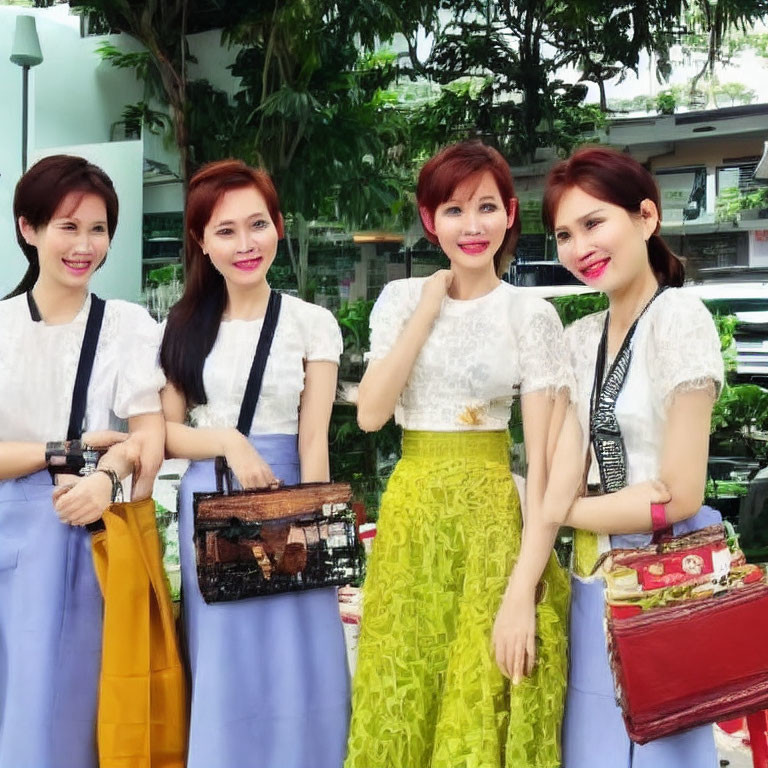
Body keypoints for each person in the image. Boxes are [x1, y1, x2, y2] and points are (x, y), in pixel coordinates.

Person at [344, 140, 571, 768]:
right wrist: (427, 306)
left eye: (486, 208)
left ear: (509, 215)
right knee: (402, 691)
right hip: (413, 516)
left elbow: (544, 464)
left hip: (493, 520)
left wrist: (523, 589)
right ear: (428, 218)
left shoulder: (531, 314)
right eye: (453, 210)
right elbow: (370, 414)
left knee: (481, 689)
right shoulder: (399, 301)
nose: (472, 226)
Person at [160, 159, 349, 768]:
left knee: (303, 657)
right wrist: (228, 442)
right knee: (226, 659)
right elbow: (164, 433)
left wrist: (324, 532)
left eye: (258, 224)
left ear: (279, 227)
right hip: (213, 501)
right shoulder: (183, 327)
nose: (246, 244)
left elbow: (314, 438)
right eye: (225, 230)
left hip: (290, 500)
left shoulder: (311, 323)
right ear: (201, 242)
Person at [540, 146, 724, 767]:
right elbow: (566, 463)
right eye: (564, 233)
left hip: (667, 578)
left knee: (663, 748)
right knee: (590, 742)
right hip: (593, 575)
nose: (578, 246)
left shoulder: (680, 320)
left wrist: (553, 509)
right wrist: (560, 507)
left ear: (646, 217)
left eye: (594, 223)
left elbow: (677, 493)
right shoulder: (579, 336)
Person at [0, 154, 165, 768]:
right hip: (11, 533)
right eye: (68, 226)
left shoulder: (125, 325)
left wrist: (106, 475)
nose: (85, 245)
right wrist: (64, 451)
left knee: (76, 714)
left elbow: (149, 436)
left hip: (87, 537)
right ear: (29, 228)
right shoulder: (2, 328)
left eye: (98, 229)